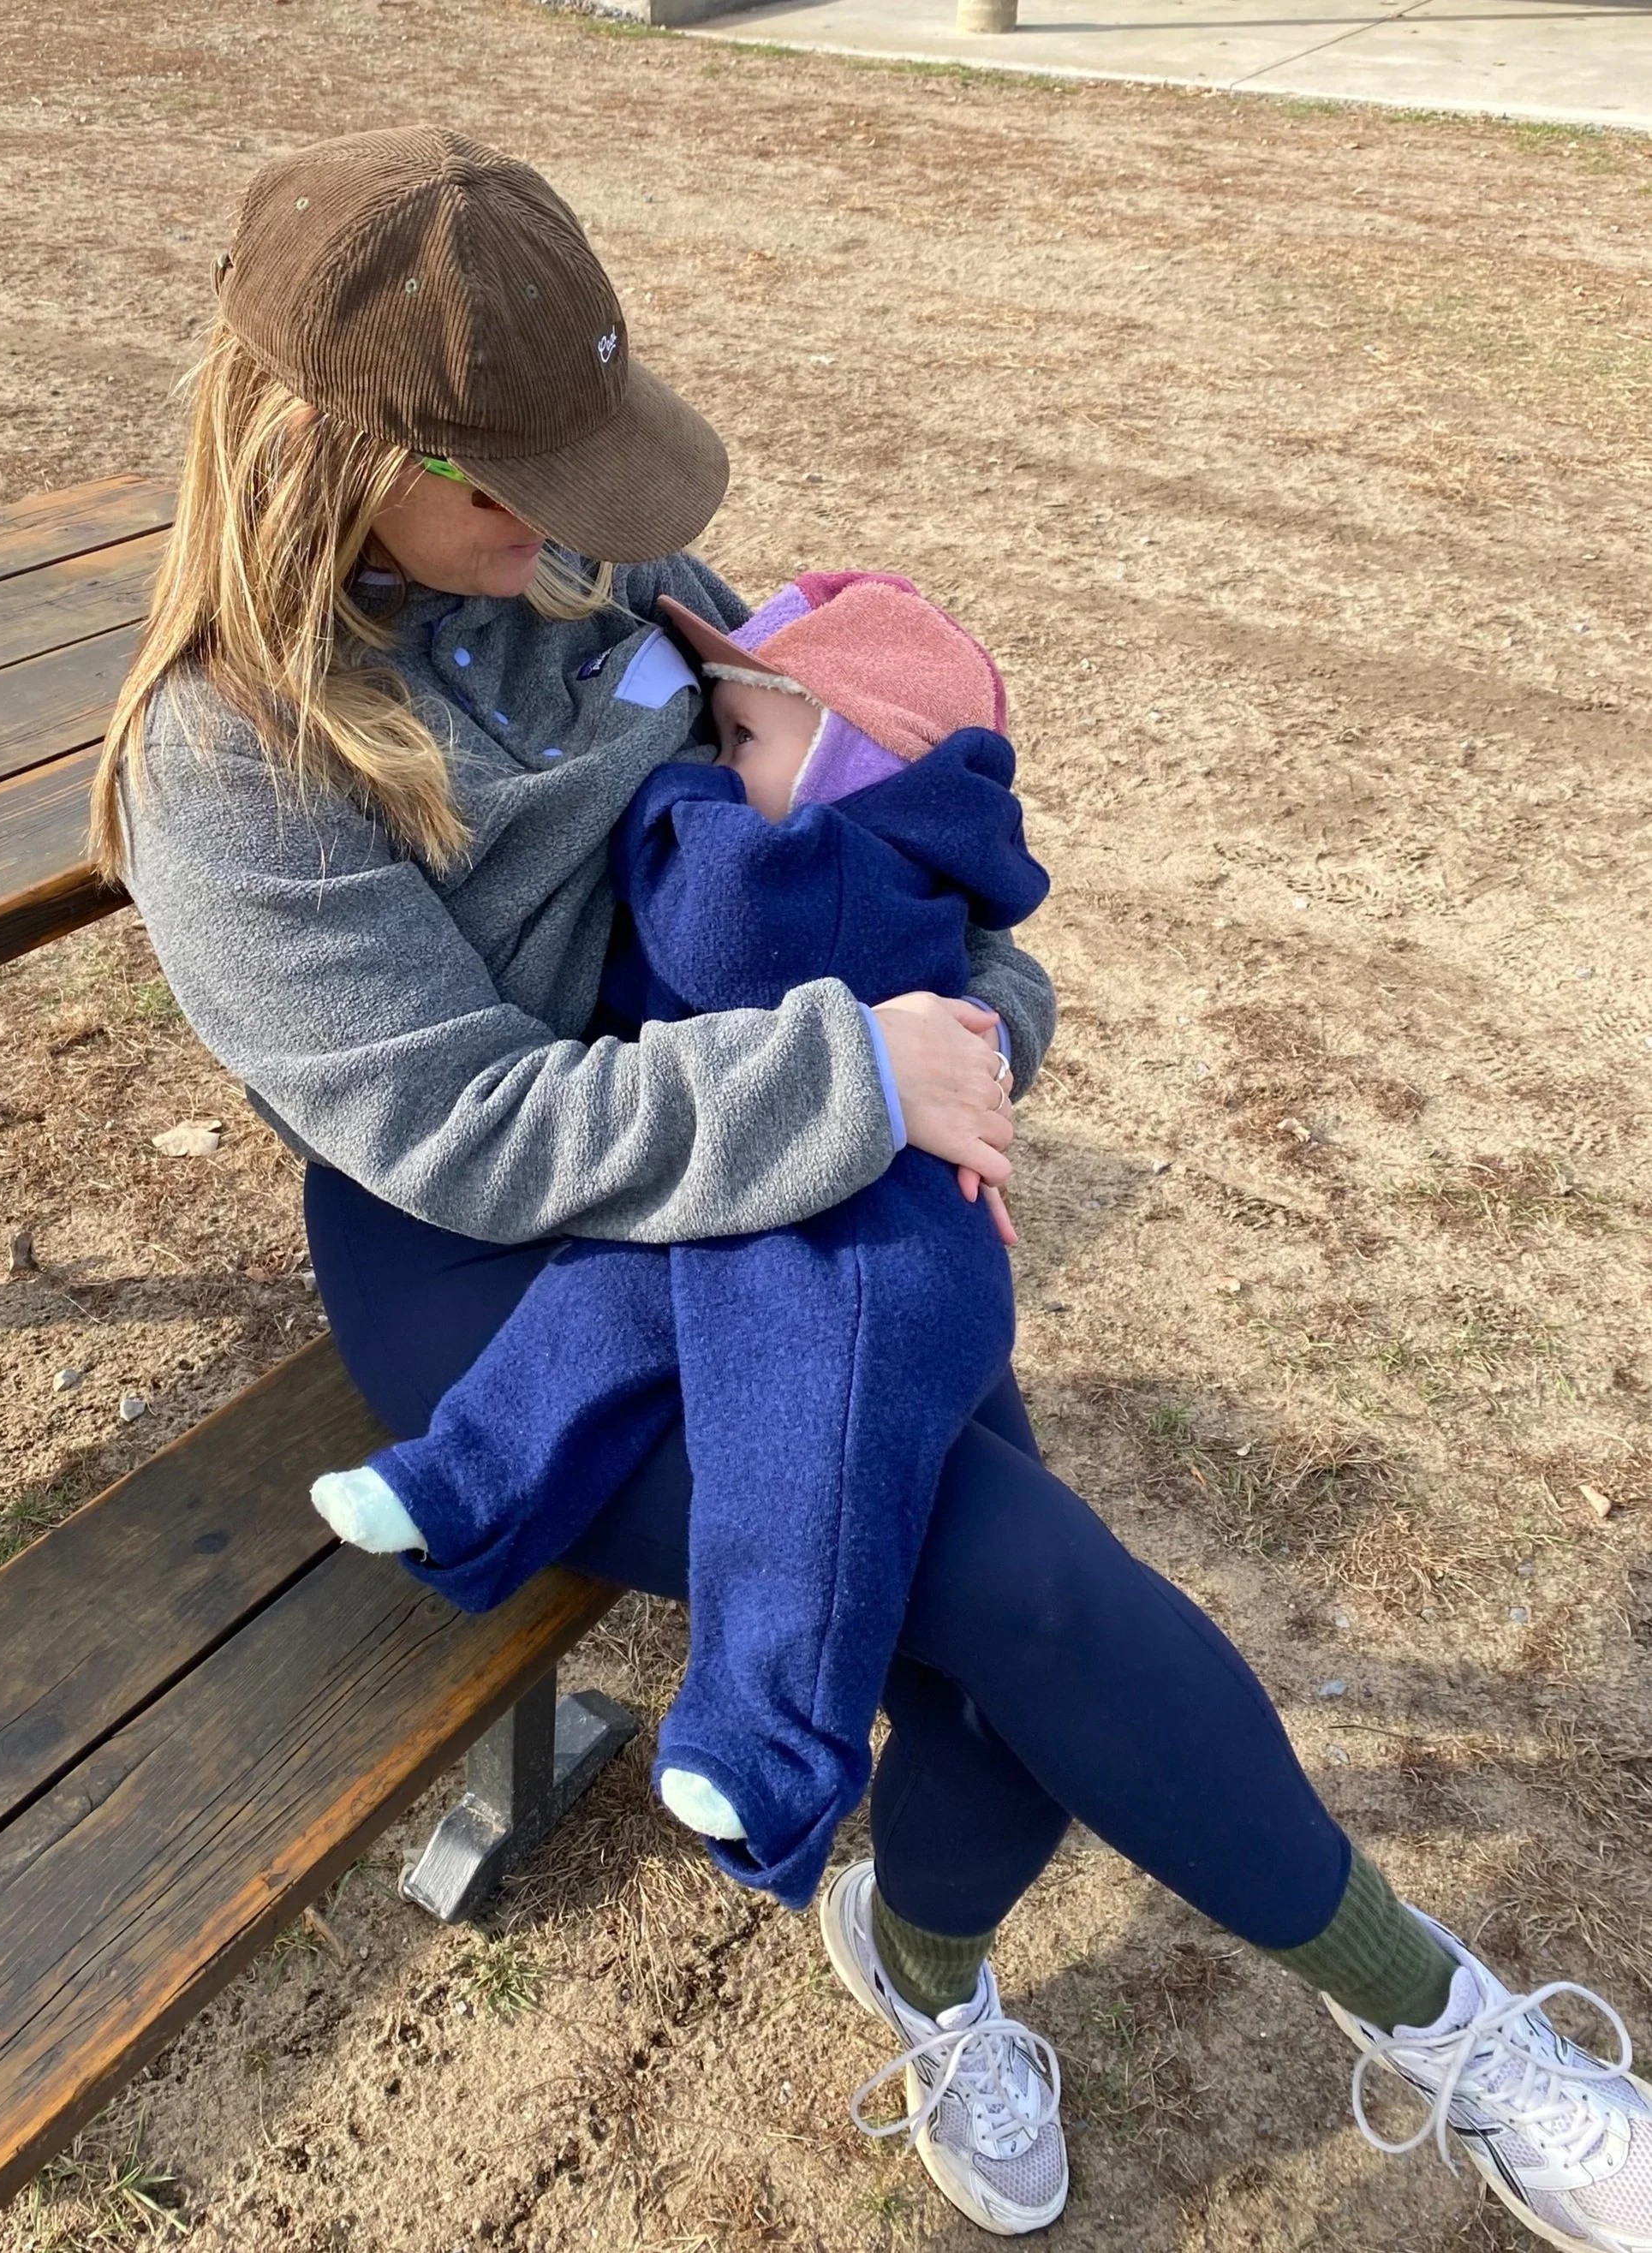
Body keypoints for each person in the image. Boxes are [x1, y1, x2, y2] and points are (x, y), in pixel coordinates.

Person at [95, 125, 1652, 2248]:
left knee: (1005, 1650)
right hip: (501, 1268)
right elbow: (460, 1134)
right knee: (1019, 1590)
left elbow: (877, 853)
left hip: (800, 1178)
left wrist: (975, 1030)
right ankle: (1454, 2037)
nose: (585, 531)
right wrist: (849, 1074)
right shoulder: (230, 764)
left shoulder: (610, 581)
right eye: (520, 479)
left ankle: (917, 1969)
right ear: (330, 452)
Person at [307, 569, 1051, 1915]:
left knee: (801, 1480)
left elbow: (704, 918)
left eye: (744, 740)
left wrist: (675, 796)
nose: (713, 755)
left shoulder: (827, 864)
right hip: (768, 1183)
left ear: (839, 767)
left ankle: (771, 1750)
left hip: (861, 1265)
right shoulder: (873, 837)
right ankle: (464, 1490)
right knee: (592, 1311)